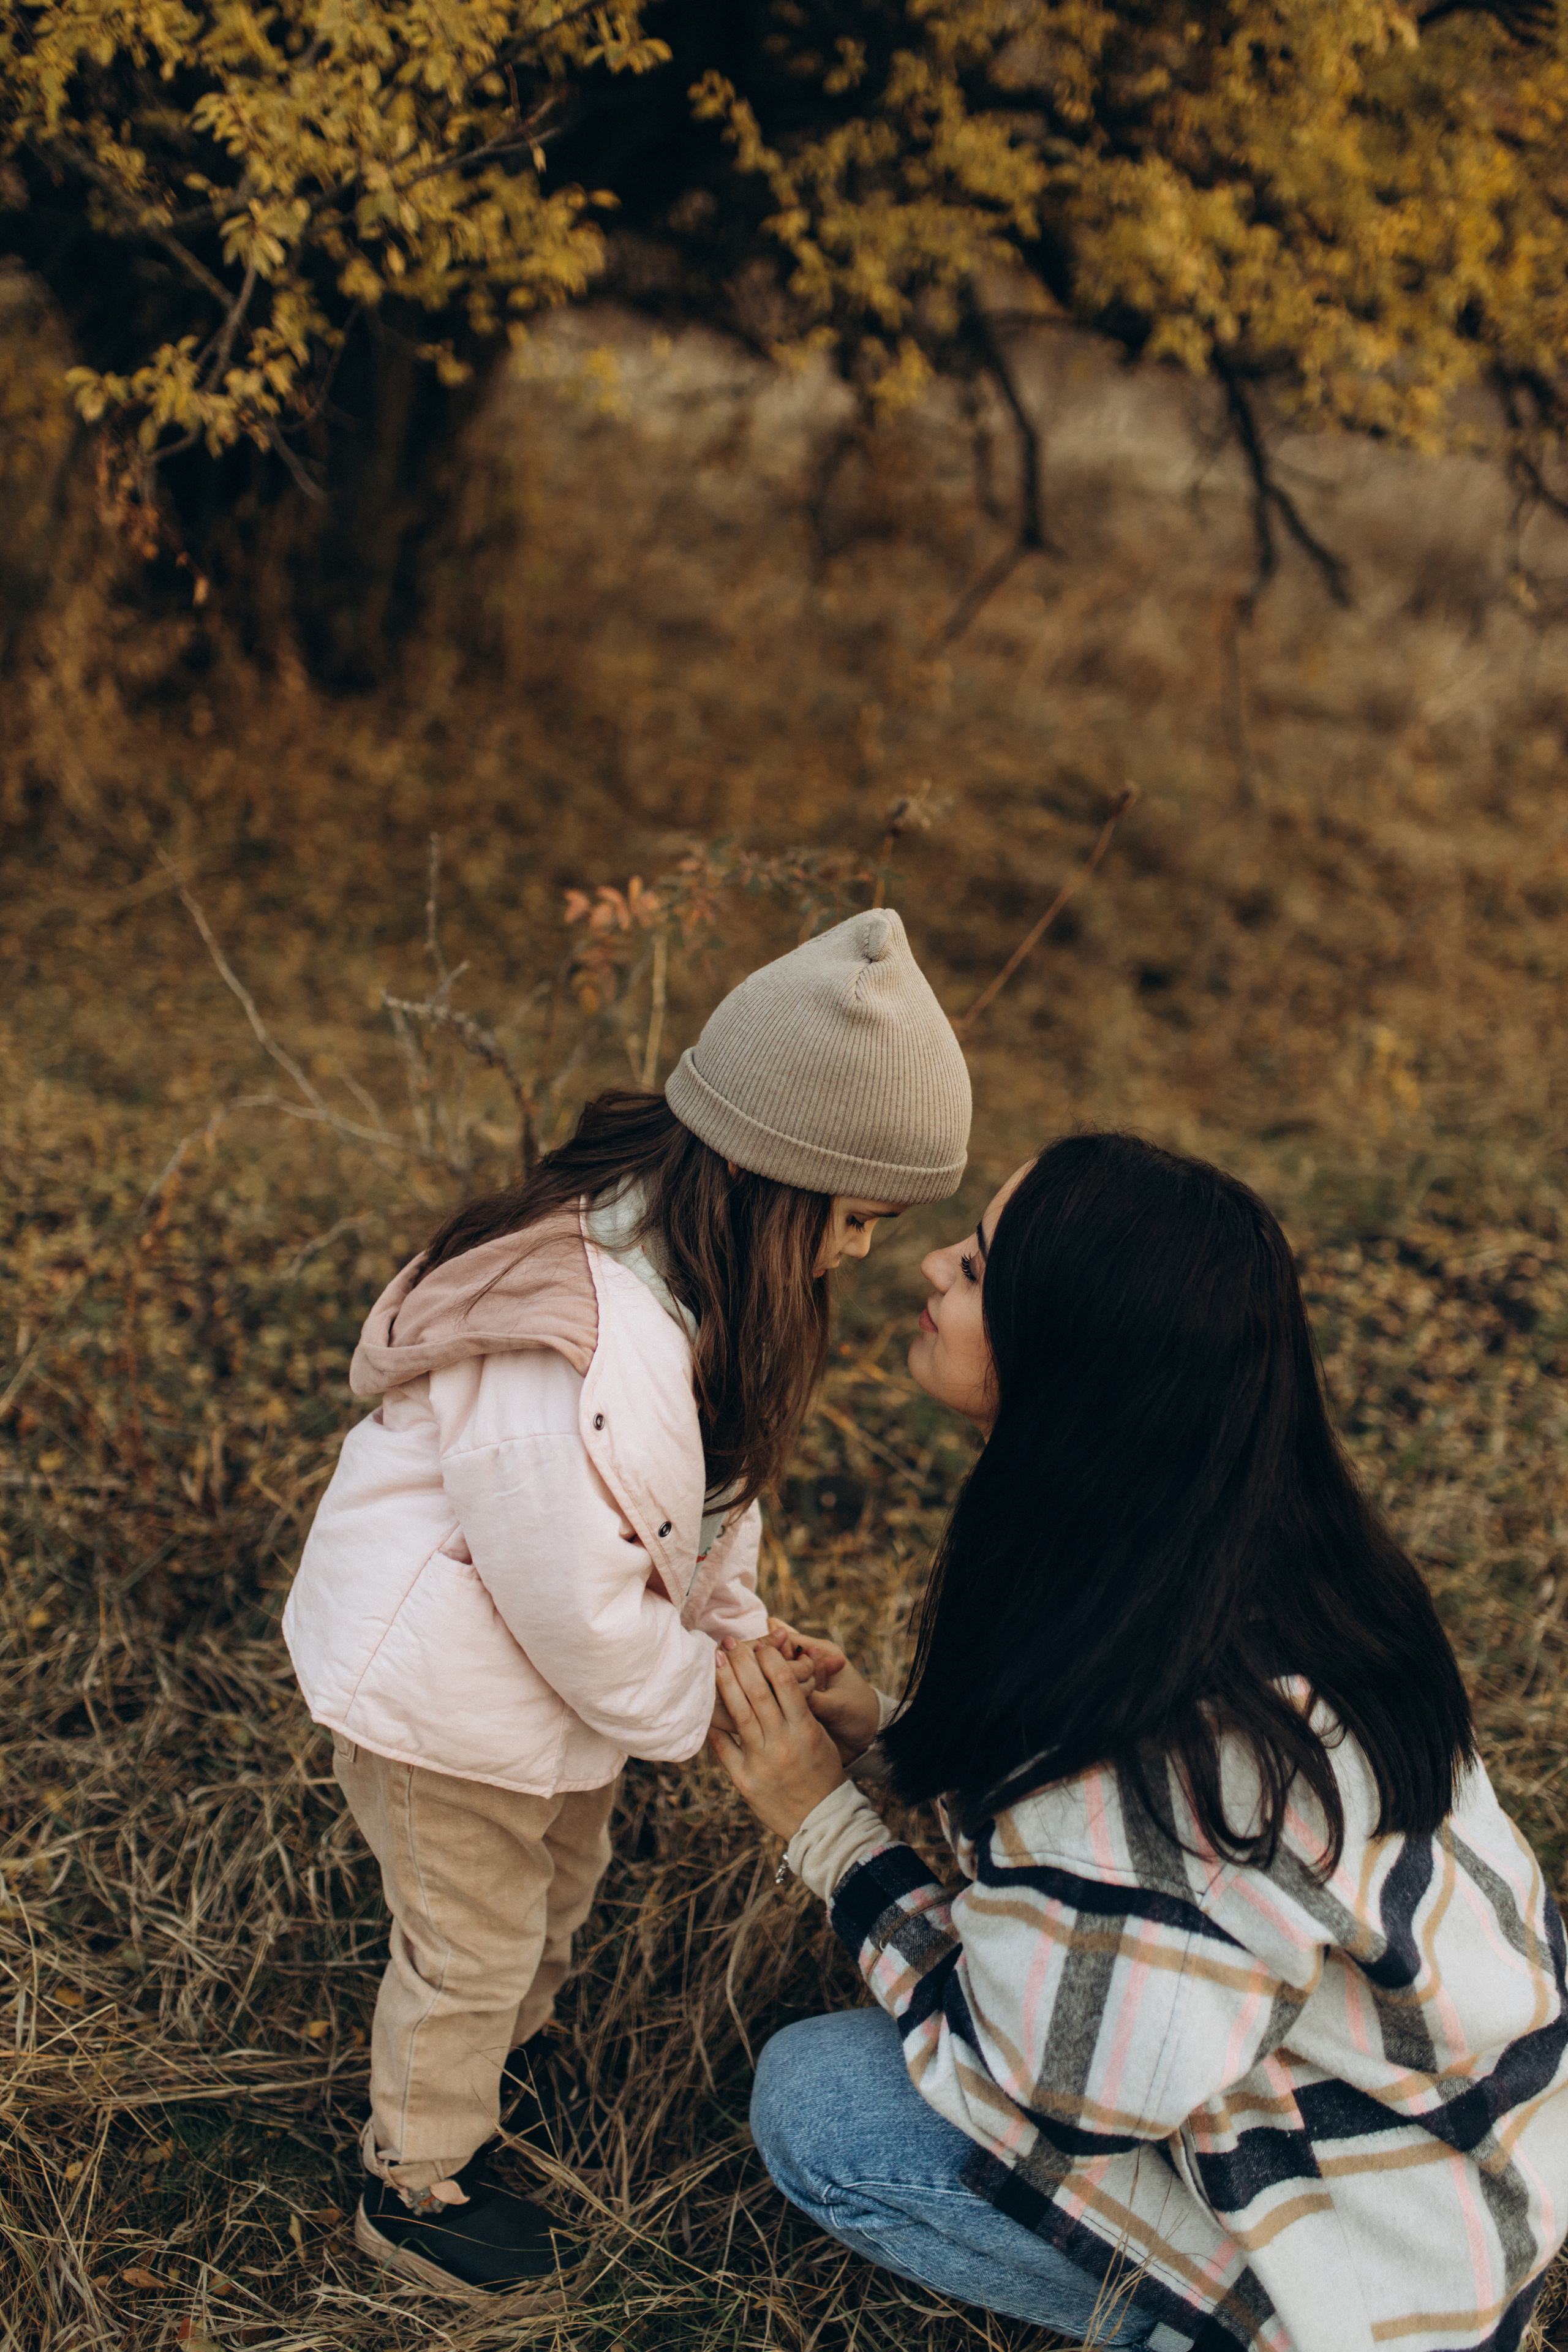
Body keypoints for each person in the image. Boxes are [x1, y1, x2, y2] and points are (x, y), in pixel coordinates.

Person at [712, 1133, 1568, 2352]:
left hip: (1378, 2280)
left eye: (980, 1265)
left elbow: (1063, 2092)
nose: (931, 1267)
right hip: (1465, 2171)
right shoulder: (1247, 1564)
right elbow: (1115, 1869)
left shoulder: (1160, 1740)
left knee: (823, 2107)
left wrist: (830, 1832)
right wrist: (891, 1741)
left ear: (1069, 1358)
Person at [281, 907, 971, 2302]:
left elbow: (697, 1508)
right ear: (775, 1180)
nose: (850, 1257)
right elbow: (574, 1604)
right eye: (849, 1222)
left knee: (554, 1893)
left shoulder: (691, 1286)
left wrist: (730, 1626)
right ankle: (414, 2177)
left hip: (543, 1702)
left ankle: (504, 2058)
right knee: (468, 1938)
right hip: (444, 1700)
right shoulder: (570, 1347)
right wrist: (702, 1694)